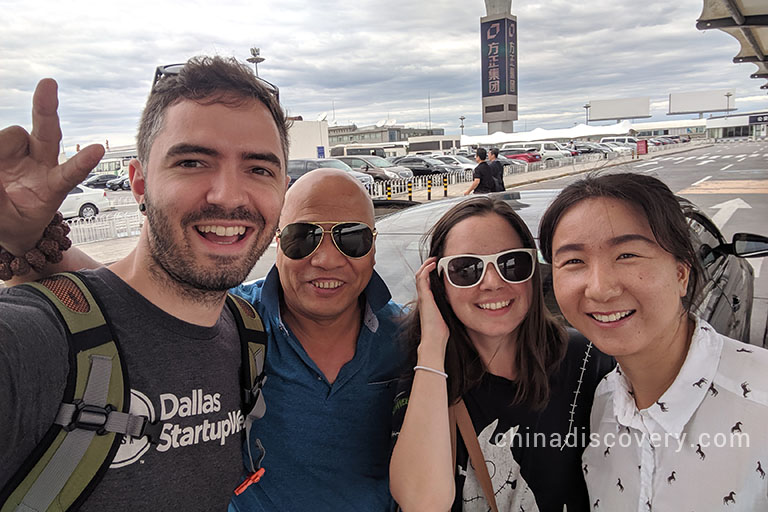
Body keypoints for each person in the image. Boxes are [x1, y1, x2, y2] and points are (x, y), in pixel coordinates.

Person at [0, 56, 290, 510]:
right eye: (193, 161)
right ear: (138, 183)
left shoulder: (247, 336)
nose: (230, 196)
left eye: (259, 169)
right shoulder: (39, 339)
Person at [538, 172, 768, 511]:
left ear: (681, 273)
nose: (600, 288)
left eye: (627, 255)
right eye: (574, 261)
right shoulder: (602, 406)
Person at [389, 197, 614, 511]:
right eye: (466, 269)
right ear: (438, 283)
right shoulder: (425, 376)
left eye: (512, 264)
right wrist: (432, 346)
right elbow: (422, 502)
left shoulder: (587, 359)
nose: (493, 283)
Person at [229, 168, 406, 511]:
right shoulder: (231, 320)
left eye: (351, 238)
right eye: (304, 237)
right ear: (277, 243)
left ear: (372, 248)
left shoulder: (407, 337)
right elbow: (135, 305)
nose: (326, 259)